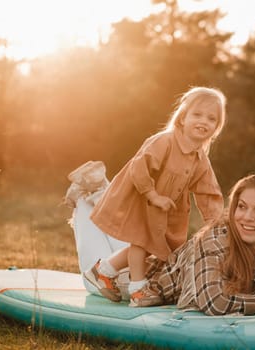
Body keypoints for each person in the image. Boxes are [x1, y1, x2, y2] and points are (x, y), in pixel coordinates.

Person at [83, 86, 227, 306]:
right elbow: (139, 167)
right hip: (142, 197)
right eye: (197, 114)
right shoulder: (165, 141)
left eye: (211, 119)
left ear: (216, 127)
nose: (203, 121)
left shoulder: (200, 160)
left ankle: (104, 270)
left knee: (157, 248)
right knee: (141, 241)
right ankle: (138, 290)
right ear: (183, 118)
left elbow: (209, 193)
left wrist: (217, 224)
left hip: (166, 211)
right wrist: (153, 195)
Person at [127, 173, 255, 315]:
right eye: (241, 207)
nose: (247, 217)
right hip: (141, 282)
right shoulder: (214, 240)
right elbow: (213, 302)